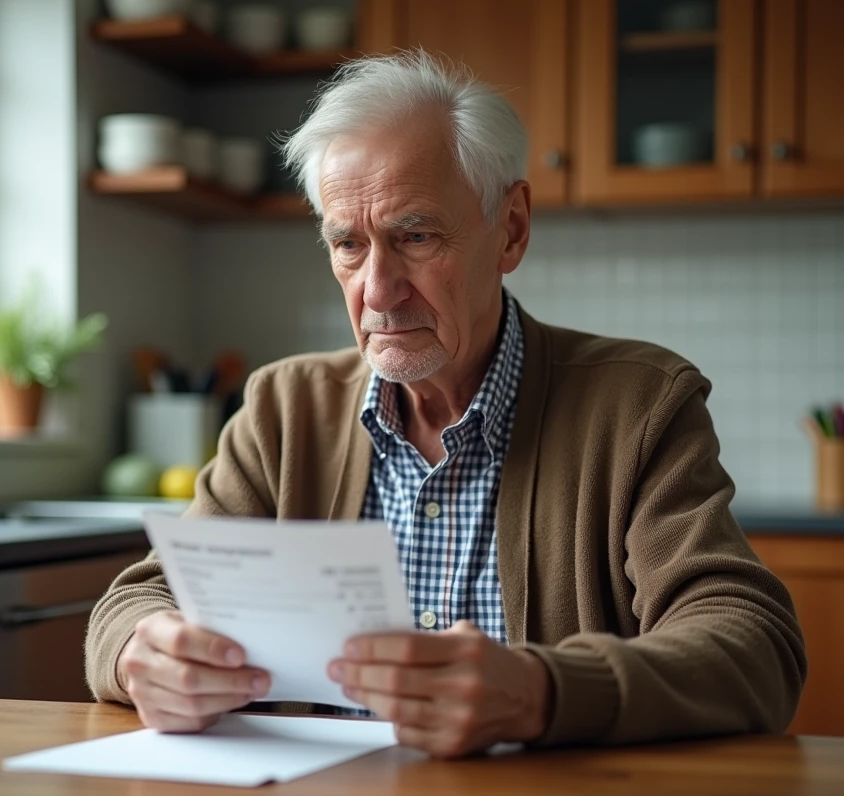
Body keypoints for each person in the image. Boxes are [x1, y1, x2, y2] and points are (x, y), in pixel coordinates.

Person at [85, 51, 806, 758]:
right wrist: (142, 655)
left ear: (512, 228)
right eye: (348, 245)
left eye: (416, 237)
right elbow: (135, 604)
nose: (377, 289)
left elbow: (753, 643)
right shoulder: (284, 407)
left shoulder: (639, 405)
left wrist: (541, 691)